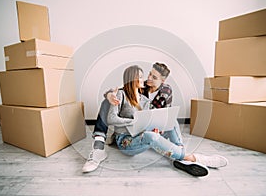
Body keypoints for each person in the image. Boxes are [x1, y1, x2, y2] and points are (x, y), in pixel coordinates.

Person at [83, 64, 228, 177]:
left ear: (162, 81)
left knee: (171, 121)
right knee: (148, 134)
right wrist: (110, 96)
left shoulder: (157, 95)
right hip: (126, 138)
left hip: (144, 132)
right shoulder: (124, 93)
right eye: (146, 75)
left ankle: (180, 156)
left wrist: (156, 125)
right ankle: (193, 158)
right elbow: (114, 114)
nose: (147, 79)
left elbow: (155, 117)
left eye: (153, 77)